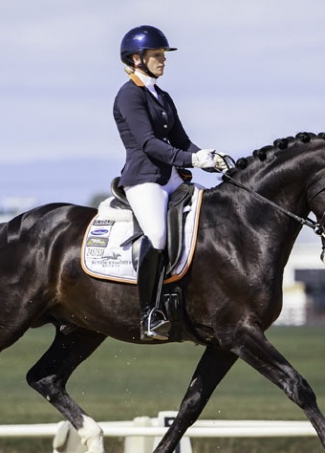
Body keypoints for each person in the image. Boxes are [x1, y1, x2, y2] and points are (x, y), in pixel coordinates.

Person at [113, 25, 230, 341]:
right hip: (145, 179)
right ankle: (149, 314)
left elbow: (181, 141)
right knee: (158, 235)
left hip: (173, 179)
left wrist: (208, 156)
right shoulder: (129, 96)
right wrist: (192, 160)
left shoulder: (161, 96)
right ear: (137, 58)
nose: (163, 60)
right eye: (157, 55)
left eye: (163, 55)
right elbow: (149, 144)